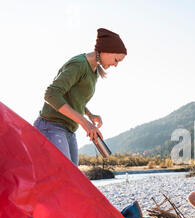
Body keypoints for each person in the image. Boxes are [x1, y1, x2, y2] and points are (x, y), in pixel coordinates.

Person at [33, 28, 127, 166]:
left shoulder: (94, 71)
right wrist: (85, 123)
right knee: (64, 178)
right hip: (51, 126)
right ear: (106, 50)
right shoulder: (79, 64)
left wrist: (89, 114)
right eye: (116, 59)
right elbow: (51, 94)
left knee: (72, 180)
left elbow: (73, 97)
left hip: (69, 129)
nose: (116, 64)